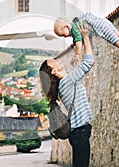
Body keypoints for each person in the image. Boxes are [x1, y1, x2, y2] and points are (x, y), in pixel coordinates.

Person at [39, 23, 94, 167]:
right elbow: (88, 62)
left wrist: (77, 48)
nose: (56, 59)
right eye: (53, 61)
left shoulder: (65, 82)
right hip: (80, 133)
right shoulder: (67, 82)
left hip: (78, 134)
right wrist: (86, 37)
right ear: (53, 72)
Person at [53, 12, 119, 64]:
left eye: (63, 34)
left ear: (66, 27)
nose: (65, 37)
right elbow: (77, 41)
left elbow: (78, 43)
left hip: (99, 26)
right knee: (117, 33)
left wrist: (77, 54)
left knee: (111, 38)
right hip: (102, 21)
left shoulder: (74, 28)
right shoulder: (76, 25)